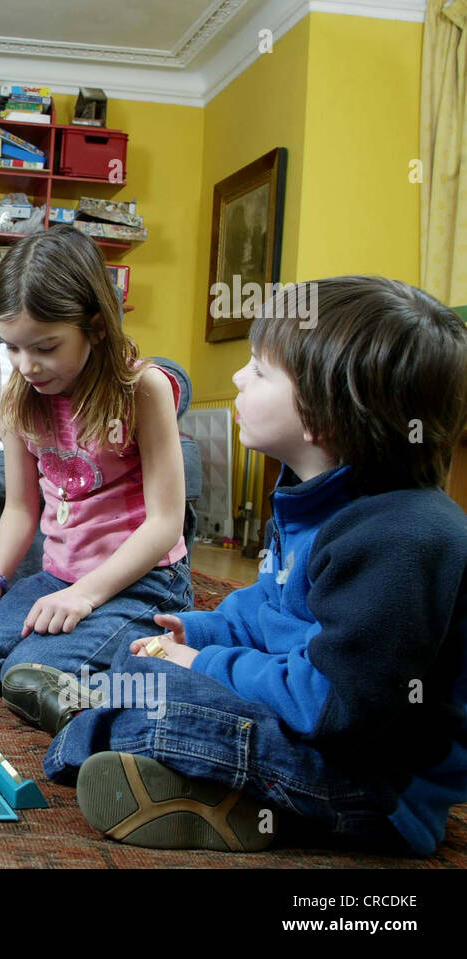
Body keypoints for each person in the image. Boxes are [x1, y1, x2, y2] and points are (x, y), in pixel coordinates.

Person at [29, 277, 467, 856]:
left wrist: (205, 662)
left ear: (325, 414)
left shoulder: (402, 540)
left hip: (377, 786)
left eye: (260, 369)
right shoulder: (317, 495)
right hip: (313, 725)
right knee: (138, 651)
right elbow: (270, 607)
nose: (237, 376)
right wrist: (204, 631)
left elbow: (331, 704)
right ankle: (181, 771)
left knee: (150, 700)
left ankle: (175, 765)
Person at [0, 225, 191, 699]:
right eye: (12, 347)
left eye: (46, 348)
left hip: (146, 580)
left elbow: (165, 522)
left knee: (31, 670)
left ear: (95, 327)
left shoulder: (144, 389)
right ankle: (97, 653)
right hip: (60, 577)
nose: (27, 366)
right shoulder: (19, 398)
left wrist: (86, 596)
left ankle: (164, 652)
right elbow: (20, 508)